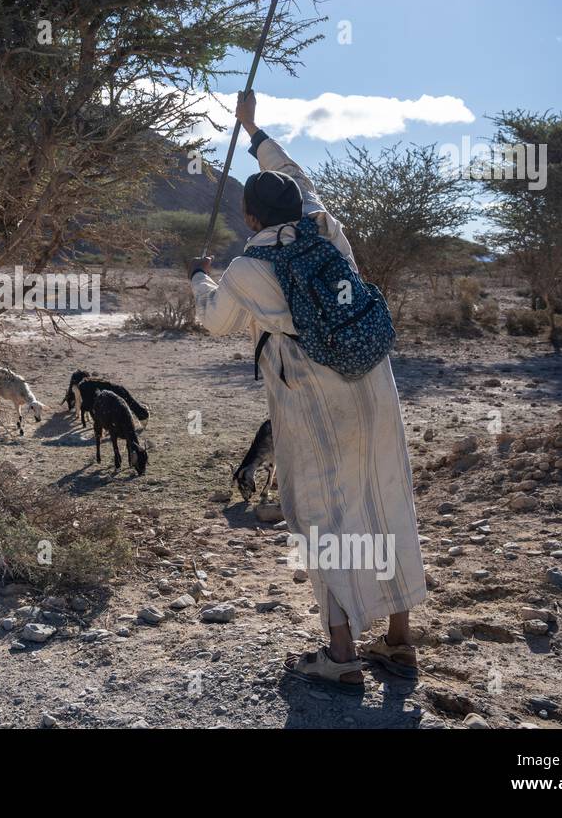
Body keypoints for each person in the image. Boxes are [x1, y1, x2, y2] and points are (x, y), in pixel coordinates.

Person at [188, 90, 427, 691]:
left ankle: (342, 654)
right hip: (373, 381)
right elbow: (290, 172)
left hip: (311, 400)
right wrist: (252, 128)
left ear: (249, 220)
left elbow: (216, 320)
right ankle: (398, 641)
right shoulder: (325, 225)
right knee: (385, 496)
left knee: (323, 514)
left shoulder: (246, 268)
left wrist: (199, 276)